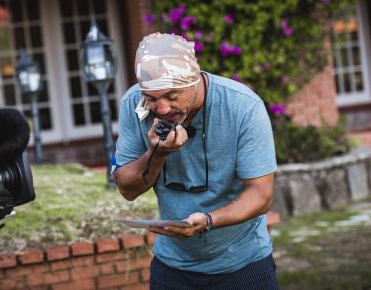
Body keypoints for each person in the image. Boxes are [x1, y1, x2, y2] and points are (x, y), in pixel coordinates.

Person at [113, 33, 279, 289]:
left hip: (243, 265)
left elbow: (261, 195)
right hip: (172, 267)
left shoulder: (243, 107)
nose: (163, 109)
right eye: (153, 98)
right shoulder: (132, 103)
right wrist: (157, 154)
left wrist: (208, 221)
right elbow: (127, 189)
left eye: (171, 95)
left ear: (194, 79)